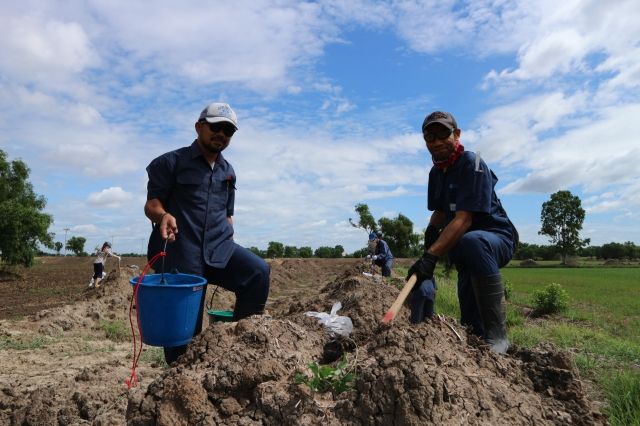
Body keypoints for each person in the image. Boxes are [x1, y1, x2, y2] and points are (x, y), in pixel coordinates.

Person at [144, 102, 270, 364]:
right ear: (199, 127)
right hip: (182, 252)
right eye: (215, 127)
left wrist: (228, 232)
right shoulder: (170, 162)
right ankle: (180, 376)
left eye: (228, 131)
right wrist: (163, 216)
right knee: (185, 332)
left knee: (258, 272)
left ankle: (240, 349)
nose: (221, 134)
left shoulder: (228, 171)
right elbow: (152, 205)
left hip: (219, 249)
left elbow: (228, 213)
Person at [407, 111, 518, 353]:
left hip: (494, 239)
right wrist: (427, 246)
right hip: (465, 248)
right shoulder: (436, 174)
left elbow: (464, 219)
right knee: (471, 323)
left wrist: (432, 256)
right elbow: (439, 213)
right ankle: (479, 350)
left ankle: (499, 341)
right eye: (429, 136)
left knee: (471, 242)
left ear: (457, 134)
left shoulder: (473, 163)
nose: (436, 141)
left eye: (443, 134)